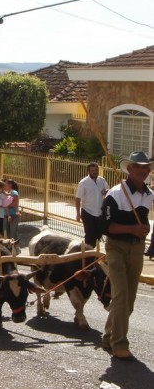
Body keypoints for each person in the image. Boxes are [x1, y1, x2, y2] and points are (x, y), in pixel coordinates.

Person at [100, 151, 154, 361]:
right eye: (138, 167)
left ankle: (108, 335)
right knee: (121, 295)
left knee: (129, 300)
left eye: (146, 167)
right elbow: (105, 226)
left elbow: (143, 221)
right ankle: (119, 343)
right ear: (130, 169)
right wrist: (133, 229)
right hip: (116, 247)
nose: (143, 170)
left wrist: (143, 229)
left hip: (137, 248)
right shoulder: (115, 194)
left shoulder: (149, 194)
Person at [75, 162, 109, 247]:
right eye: (92, 170)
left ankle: (94, 256)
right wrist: (78, 214)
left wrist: (106, 191)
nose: (94, 172)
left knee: (98, 236)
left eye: (96, 170)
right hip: (88, 212)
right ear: (88, 171)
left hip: (99, 213)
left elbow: (108, 190)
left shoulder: (102, 180)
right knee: (90, 236)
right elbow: (77, 198)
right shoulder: (83, 182)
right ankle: (88, 258)